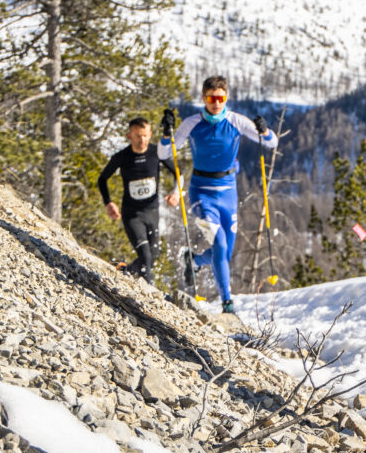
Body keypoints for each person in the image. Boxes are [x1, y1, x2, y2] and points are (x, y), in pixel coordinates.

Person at [158, 76, 278, 314]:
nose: (216, 103)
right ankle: (227, 302)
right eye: (211, 98)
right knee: (220, 243)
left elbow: (271, 143)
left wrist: (264, 130)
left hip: (228, 194)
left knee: (225, 251)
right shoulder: (192, 123)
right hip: (202, 193)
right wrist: (165, 132)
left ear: (226, 98)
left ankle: (194, 260)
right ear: (204, 98)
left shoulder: (235, 121)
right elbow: (164, 152)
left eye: (221, 98)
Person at [97, 116, 177, 283]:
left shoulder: (157, 153)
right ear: (129, 136)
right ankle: (151, 294)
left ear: (150, 134)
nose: (142, 140)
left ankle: (124, 270)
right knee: (146, 256)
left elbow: (178, 172)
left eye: (145, 135)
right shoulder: (122, 157)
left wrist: (175, 193)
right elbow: (102, 179)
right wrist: (108, 202)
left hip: (153, 211)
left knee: (153, 255)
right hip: (132, 214)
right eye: (137, 136)